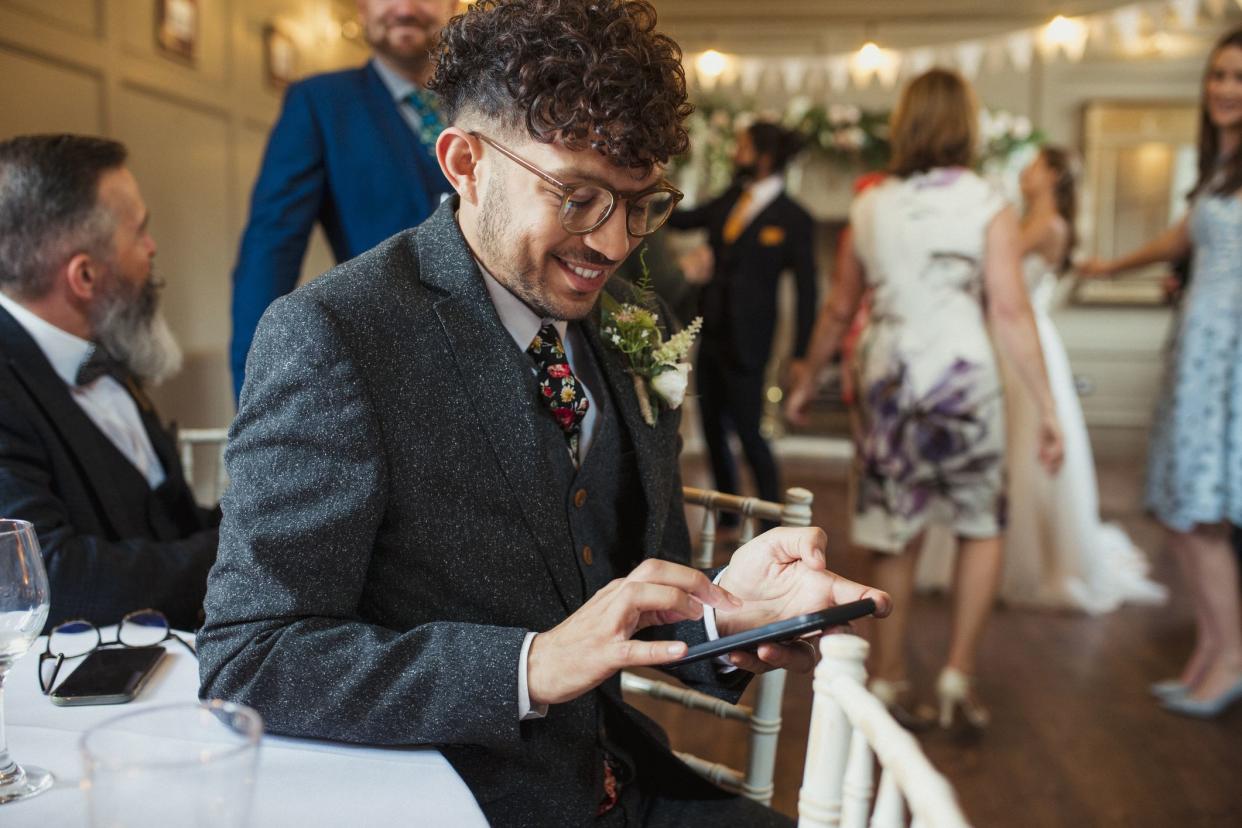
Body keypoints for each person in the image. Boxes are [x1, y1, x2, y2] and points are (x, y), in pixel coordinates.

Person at [197, 2, 891, 825]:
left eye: (642, 204)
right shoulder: (335, 338)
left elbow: (629, 580)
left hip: (620, 776)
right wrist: (527, 666)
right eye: (577, 197)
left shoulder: (641, 325)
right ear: (464, 163)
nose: (613, 244)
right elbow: (249, 657)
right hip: (455, 799)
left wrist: (725, 614)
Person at [785, 69, 1063, 730]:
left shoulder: (870, 204)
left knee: (893, 526)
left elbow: (839, 308)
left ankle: (887, 678)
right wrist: (1049, 409)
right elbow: (1012, 312)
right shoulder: (987, 202)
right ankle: (955, 678)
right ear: (965, 126)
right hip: (964, 376)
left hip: (890, 378)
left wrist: (804, 381)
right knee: (979, 525)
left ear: (905, 125)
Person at [916, 146, 1168, 614]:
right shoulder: (1028, 218)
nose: (1025, 171)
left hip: (1020, 345)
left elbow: (988, 263)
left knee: (1018, 455)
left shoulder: (1046, 225)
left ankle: (1014, 562)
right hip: (1006, 339)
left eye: (1033, 165)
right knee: (1000, 453)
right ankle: (980, 556)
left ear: (1051, 174)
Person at [1080, 27, 1242, 719]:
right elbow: (1182, 239)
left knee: (1199, 517)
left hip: (1228, 356)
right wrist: (1110, 267)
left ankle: (1228, 656)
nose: (1225, 89)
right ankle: (1213, 648)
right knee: (1183, 514)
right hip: (1198, 350)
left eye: (1238, 78)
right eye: (1218, 76)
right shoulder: (1219, 166)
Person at [0, 134, 218, 631]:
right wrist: (235, 549)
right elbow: (48, 577)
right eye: (139, 232)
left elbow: (169, 518)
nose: (152, 248)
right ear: (85, 276)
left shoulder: (105, 350)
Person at [229, 0, 457, 399]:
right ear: (361, 8)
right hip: (392, 373)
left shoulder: (492, 99)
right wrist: (256, 393)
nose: (404, 8)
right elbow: (270, 251)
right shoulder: (319, 103)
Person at [668, 122, 817, 507]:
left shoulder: (794, 218)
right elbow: (686, 219)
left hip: (751, 341)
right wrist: (649, 192)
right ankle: (729, 517)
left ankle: (770, 519)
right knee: (712, 427)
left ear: (765, 158)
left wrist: (801, 354)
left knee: (750, 433)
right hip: (711, 331)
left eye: (744, 147)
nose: (736, 154)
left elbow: (807, 293)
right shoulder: (732, 198)